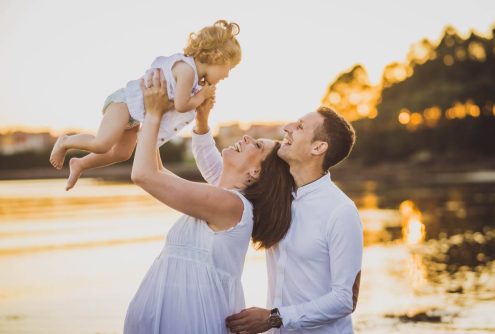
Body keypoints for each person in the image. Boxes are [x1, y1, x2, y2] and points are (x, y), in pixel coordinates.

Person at [124, 69, 295, 333]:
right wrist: (171, 116)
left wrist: (154, 113)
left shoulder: (232, 206)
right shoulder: (223, 199)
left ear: (255, 173)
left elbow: (143, 175)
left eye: (257, 146)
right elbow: (157, 172)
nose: (247, 138)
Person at [194, 106, 363, 333]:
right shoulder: (276, 196)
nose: (287, 127)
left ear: (318, 147)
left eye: (300, 126)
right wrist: (202, 120)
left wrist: (274, 318)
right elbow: (222, 176)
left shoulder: (341, 211)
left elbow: (344, 300)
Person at [49, 20, 241, 191]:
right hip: (124, 103)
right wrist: (202, 95)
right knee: (102, 144)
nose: (227, 75)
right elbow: (182, 105)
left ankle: (80, 164)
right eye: (228, 69)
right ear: (217, 58)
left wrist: (201, 98)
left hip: (135, 117)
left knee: (122, 153)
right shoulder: (187, 70)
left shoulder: (193, 77)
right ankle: (65, 141)